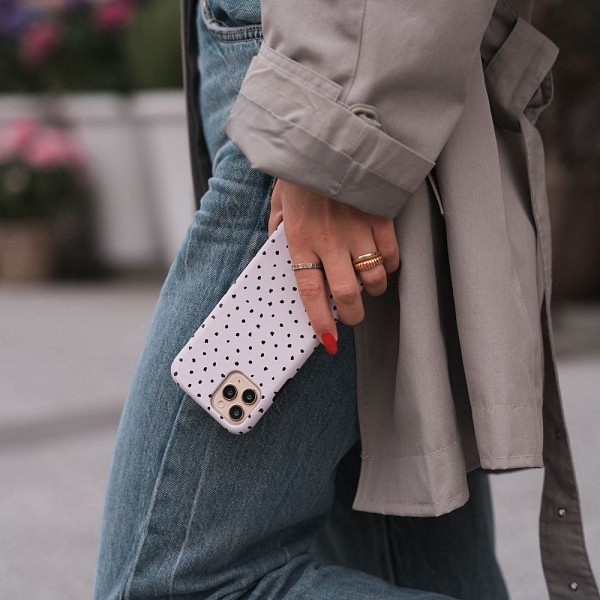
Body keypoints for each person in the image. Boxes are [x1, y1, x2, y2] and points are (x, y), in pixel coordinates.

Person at [94, 0, 599, 598]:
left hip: (326, 77)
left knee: (177, 582)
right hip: (329, 69)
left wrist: (331, 135)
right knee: (402, 557)